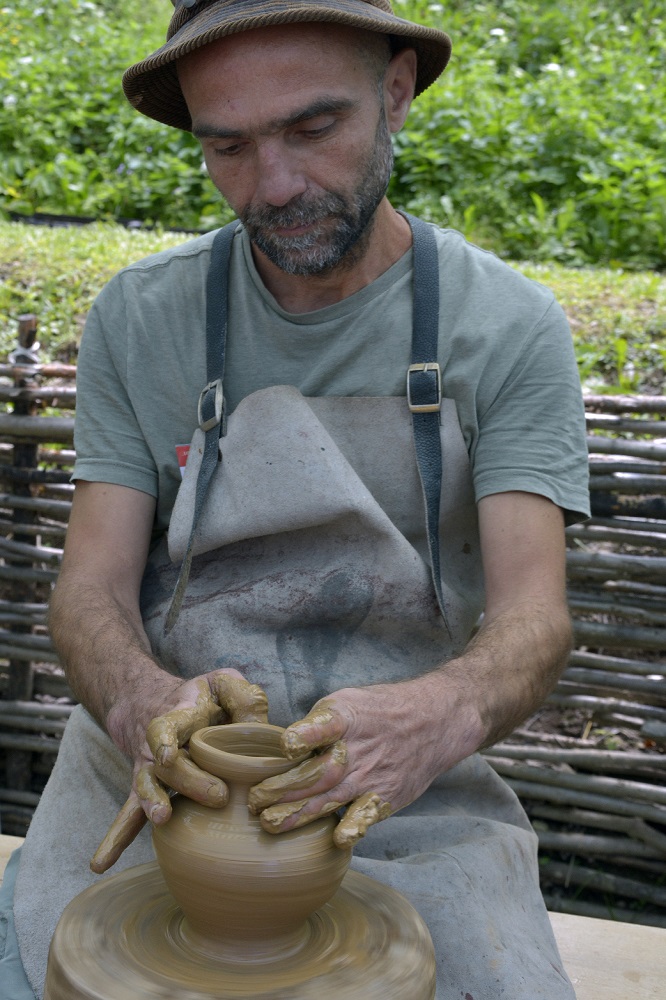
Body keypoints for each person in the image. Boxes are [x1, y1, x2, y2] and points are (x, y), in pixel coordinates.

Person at [0, 1, 590, 997]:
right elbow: (86, 591)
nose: (272, 186)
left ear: (394, 92)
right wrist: (139, 699)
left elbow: (536, 619)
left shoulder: (510, 329)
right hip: (163, 781)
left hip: (404, 792)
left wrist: (442, 709)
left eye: (312, 128)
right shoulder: (144, 317)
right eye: (227, 145)